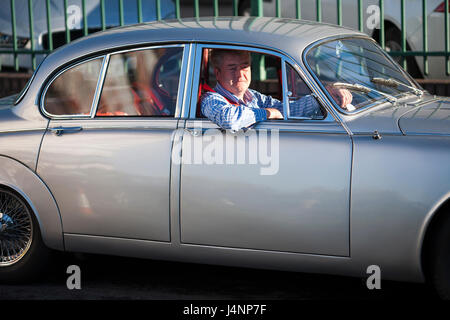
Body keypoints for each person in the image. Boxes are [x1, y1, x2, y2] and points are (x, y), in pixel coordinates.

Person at [201, 49, 352, 131]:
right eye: (232, 68)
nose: (240, 74)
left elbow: (288, 109)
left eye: (245, 66)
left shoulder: (253, 97)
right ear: (218, 73)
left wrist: (325, 96)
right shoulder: (211, 99)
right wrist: (267, 113)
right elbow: (229, 119)